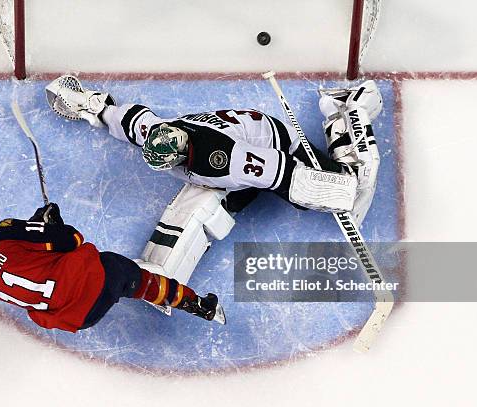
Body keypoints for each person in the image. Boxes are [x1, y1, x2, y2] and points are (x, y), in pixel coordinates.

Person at [44, 75, 382, 284]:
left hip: (272, 144)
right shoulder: (158, 133)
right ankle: (165, 267)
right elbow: (132, 119)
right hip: (241, 146)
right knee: (201, 206)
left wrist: (333, 194)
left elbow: (281, 173)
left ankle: (351, 107)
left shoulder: (223, 161)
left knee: (345, 187)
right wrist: (93, 106)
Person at [0, 203, 226, 332]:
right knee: (131, 276)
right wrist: (50, 224)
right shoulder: (1, 234)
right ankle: (197, 304)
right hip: (94, 283)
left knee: (111, 277)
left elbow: (19, 263)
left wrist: (37, 224)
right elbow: (71, 240)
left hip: (76, 318)